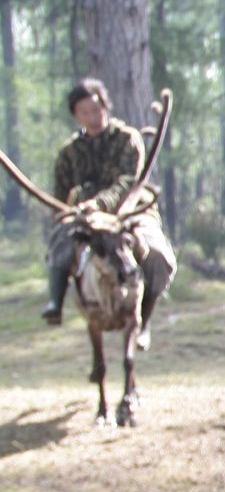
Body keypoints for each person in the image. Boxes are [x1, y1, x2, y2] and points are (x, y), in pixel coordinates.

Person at [41, 79, 175, 329]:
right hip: (87, 218)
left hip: (130, 213)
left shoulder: (128, 139)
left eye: (96, 109)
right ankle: (55, 303)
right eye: (85, 112)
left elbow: (129, 182)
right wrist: (65, 217)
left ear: (106, 107)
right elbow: (60, 196)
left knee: (158, 256)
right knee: (61, 240)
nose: (93, 117)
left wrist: (100, 203)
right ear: (76, 116)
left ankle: (144, 321)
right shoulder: (68, 153)